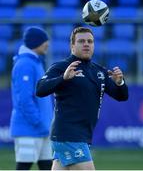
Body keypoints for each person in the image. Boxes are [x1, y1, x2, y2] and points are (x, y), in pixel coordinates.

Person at [36, 27, 128, 170]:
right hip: (69, 135)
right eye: (81, 41)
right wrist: (63, 78)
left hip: (80, 135)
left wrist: (120, 83)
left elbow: (121, 96)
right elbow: (40, 89)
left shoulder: (99, 71)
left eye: (90, 41)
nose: (86, 44)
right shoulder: (62, 67)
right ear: (72, 45)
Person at [10, 26, 53, 170]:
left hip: (42, 128)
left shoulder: (35, 62)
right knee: (24, 167)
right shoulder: (25, 64)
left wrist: (45, 123)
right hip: (29, 128)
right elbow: (24, 99)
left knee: (48, 166)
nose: (47, 44)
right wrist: (38, 121)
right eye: (44, 41)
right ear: (36, 42)